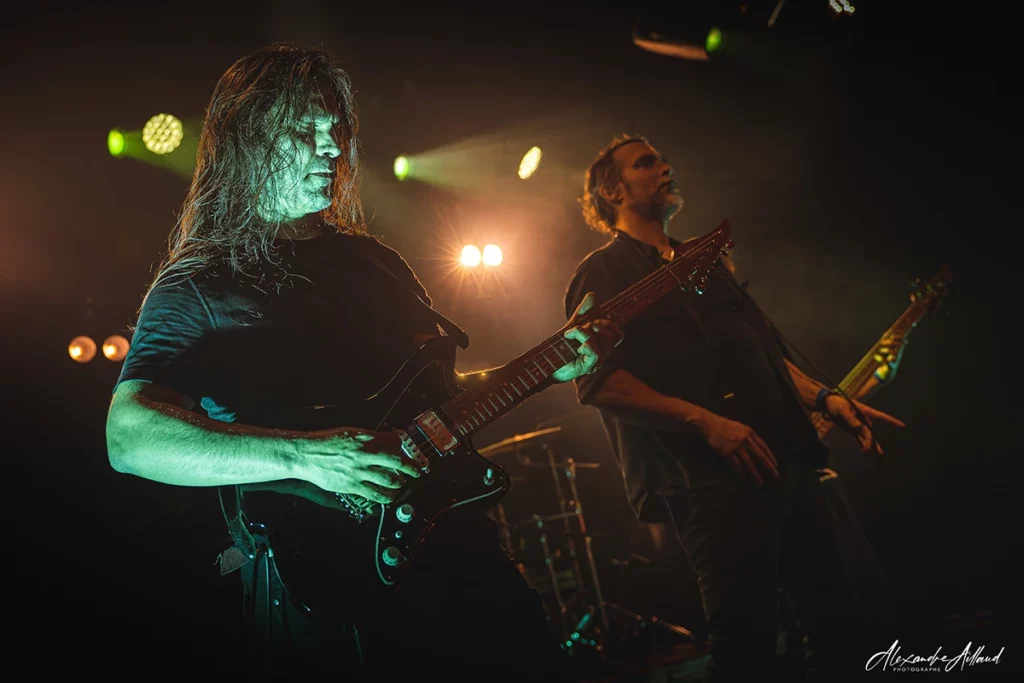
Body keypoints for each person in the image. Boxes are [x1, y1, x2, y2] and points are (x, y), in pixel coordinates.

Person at [104, 43, 622, 678]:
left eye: (336, 130)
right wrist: (307, 457)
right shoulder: (202, 283)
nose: (332, 149)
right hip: (323, 582)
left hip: (459, 553)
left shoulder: (377, 263)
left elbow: (438, 398)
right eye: (306, 129)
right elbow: (129, 437)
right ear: (248, 139)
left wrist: (547, 368)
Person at [562, 134, 906, 681]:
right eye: (646, 162)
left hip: (788, 463)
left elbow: (762, 352)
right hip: (713, 485)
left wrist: (825, 397)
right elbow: (596, 381)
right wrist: (706, 421)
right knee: (745, 652)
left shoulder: (702, 259)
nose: (665, 166)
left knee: (838, 626)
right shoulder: (604, 272)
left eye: (664, 158)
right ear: (612, 190)